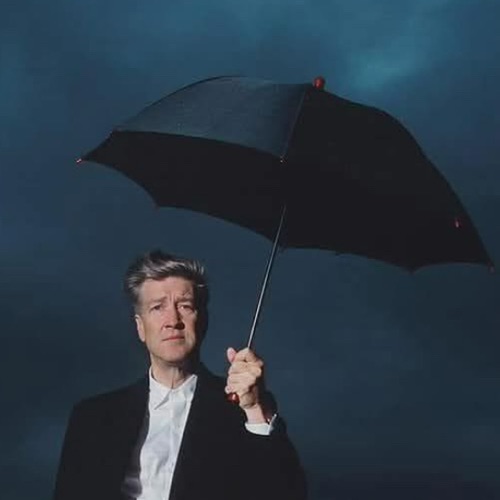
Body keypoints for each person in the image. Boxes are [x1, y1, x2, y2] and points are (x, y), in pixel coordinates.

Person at [54, 250, 306, 500]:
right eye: (157, 307)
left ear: (203, 320)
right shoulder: (92, 418)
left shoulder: (245, 409)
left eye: (185, 306)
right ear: (140, 327)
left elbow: (288, 494)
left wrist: (254, 410)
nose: (172, 320)